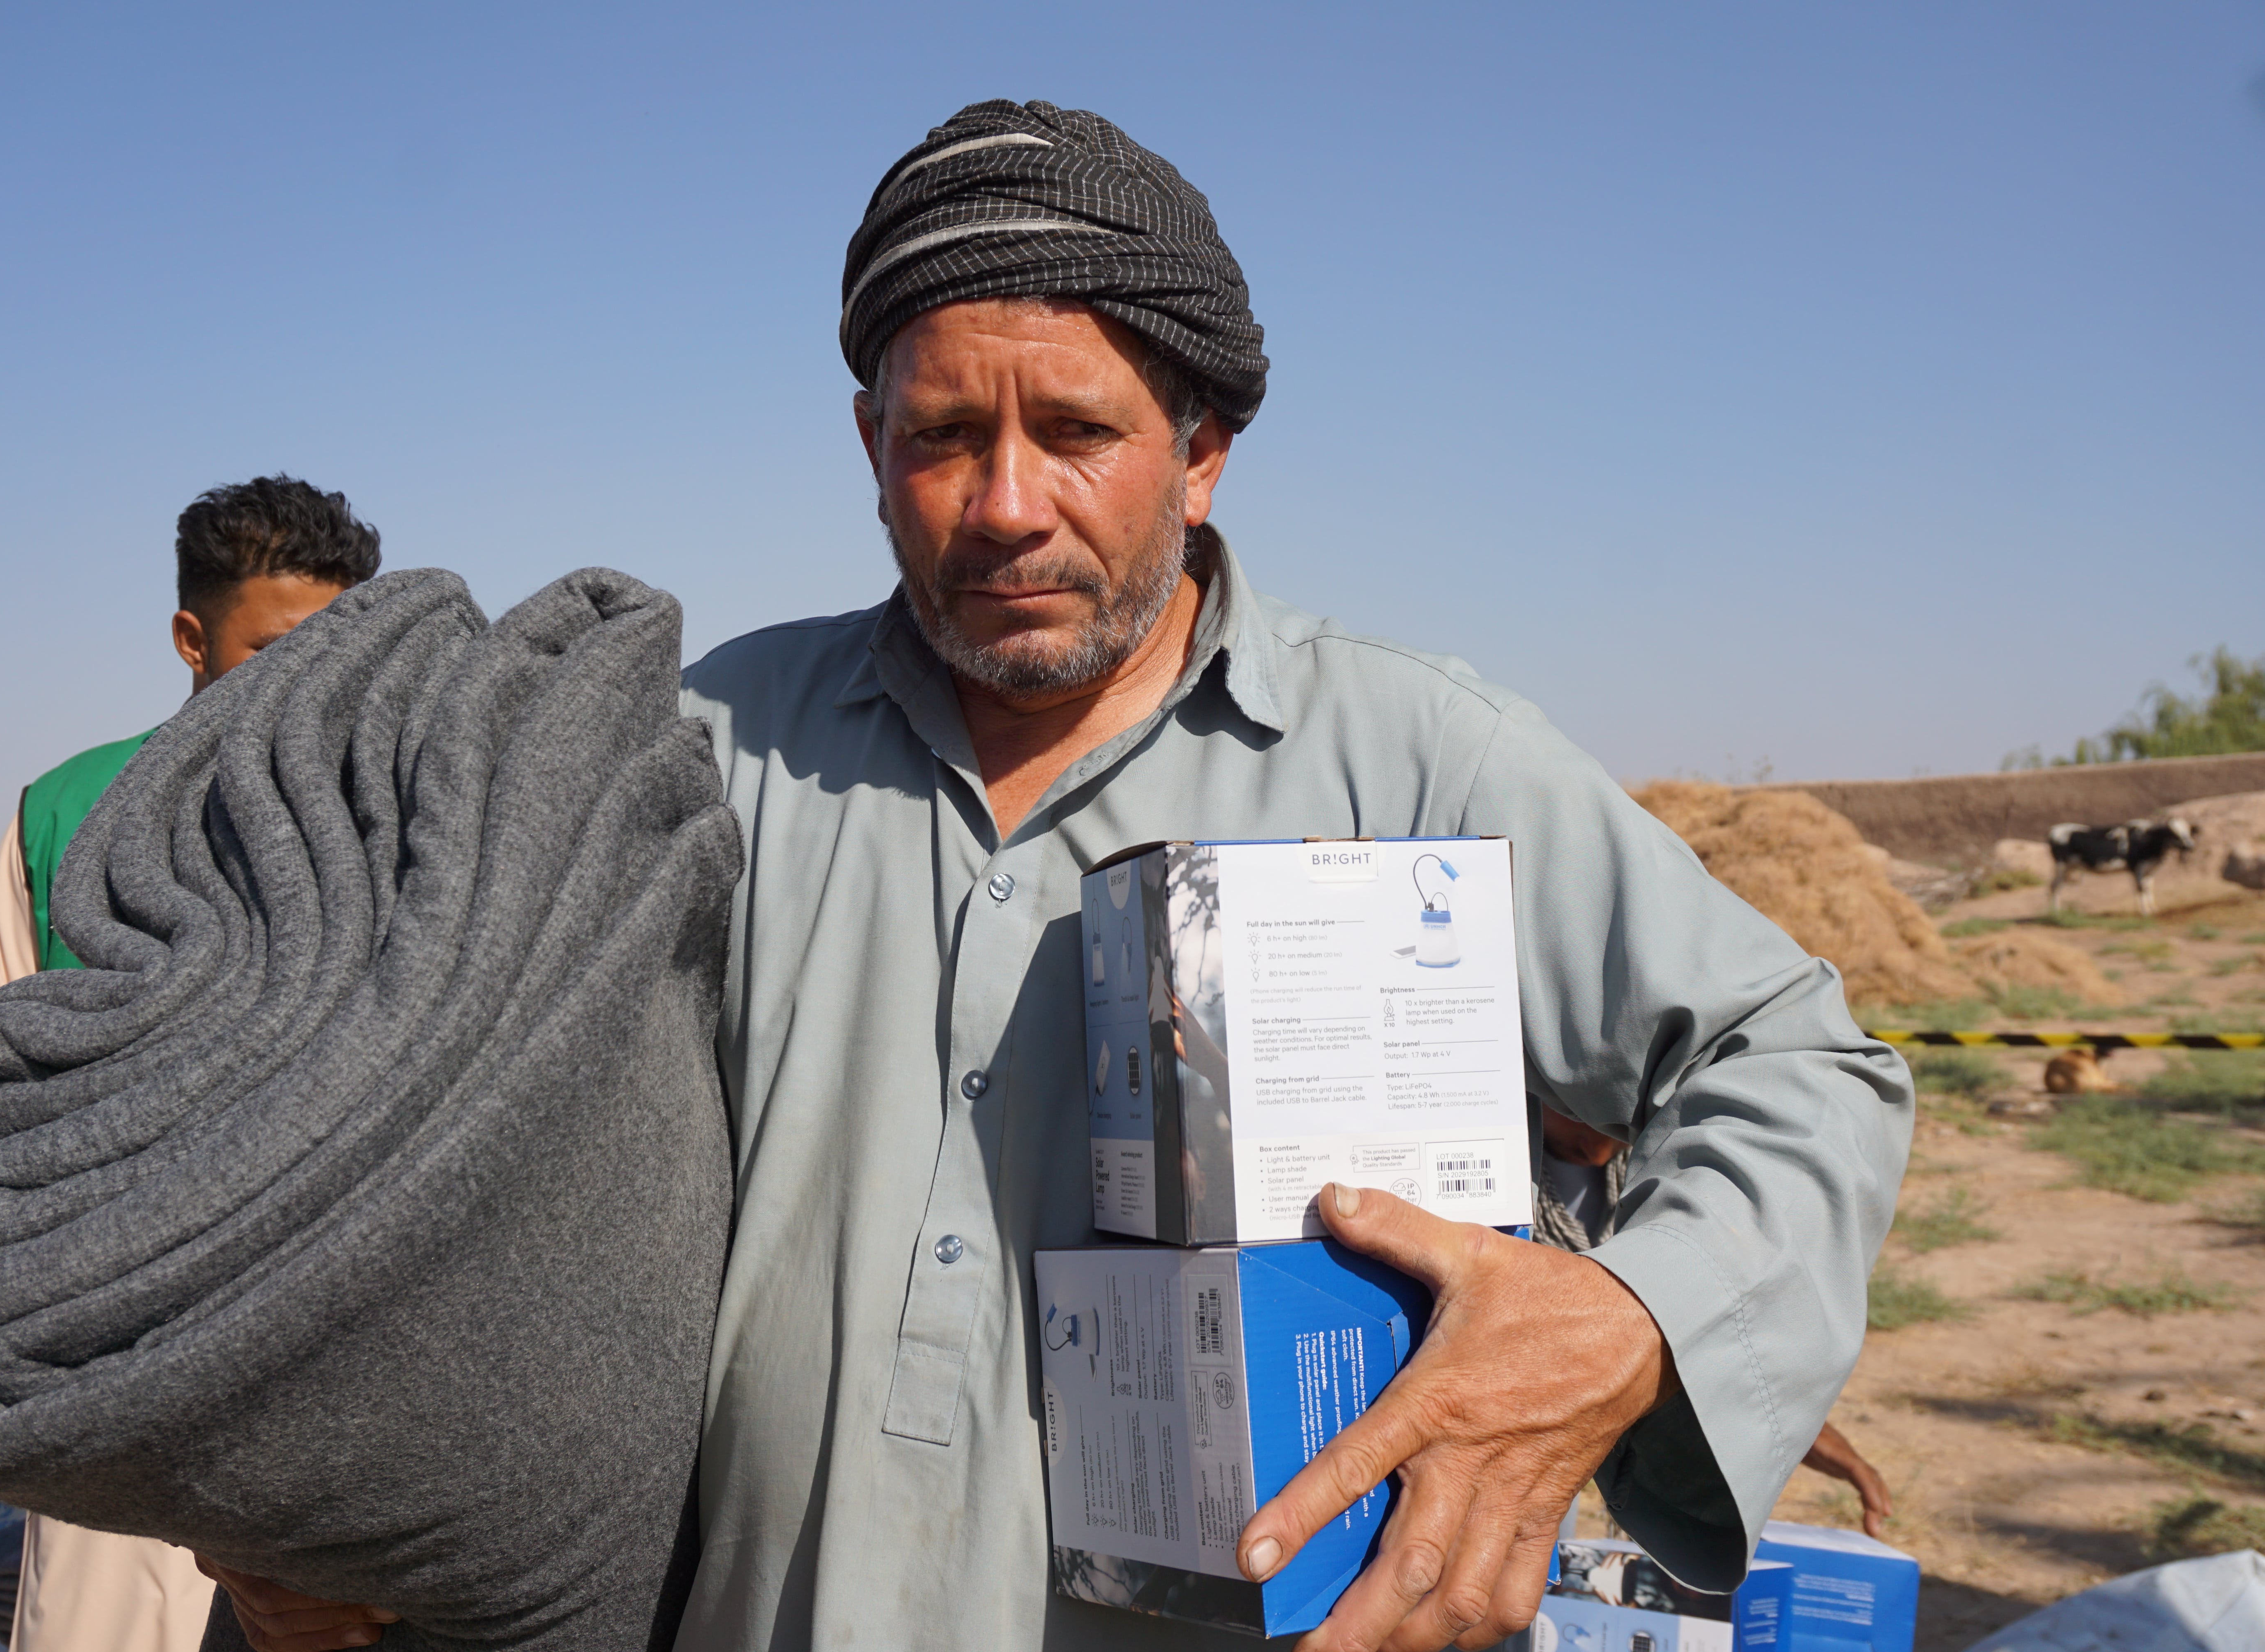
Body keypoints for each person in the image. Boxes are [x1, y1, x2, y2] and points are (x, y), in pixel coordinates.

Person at [211, 100, 1910, 1652]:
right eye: (944, 437)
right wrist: (344, 1495)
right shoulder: (707, 748)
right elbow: (462, 1145)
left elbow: (1799, 1063)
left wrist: (1620, 1316)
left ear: (1203, 444)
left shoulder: (1419, 762)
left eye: (1078, 432)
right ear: (869, 443)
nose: (1006, 505)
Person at [0, 475, 382, 1652]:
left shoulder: (405, 813)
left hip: (327, 1363)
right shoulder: (66, 816)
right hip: (108, 1369)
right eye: (277, 649)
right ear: (193, 639)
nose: (316, 684)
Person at [1533, 1104, 1895, 1540]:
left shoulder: (1664, 1167)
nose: (1595, 1144)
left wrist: (1789, 1426)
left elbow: (1686, 1320)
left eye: (1610, 1120)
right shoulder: (1494, 1182)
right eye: (1574, 1112)